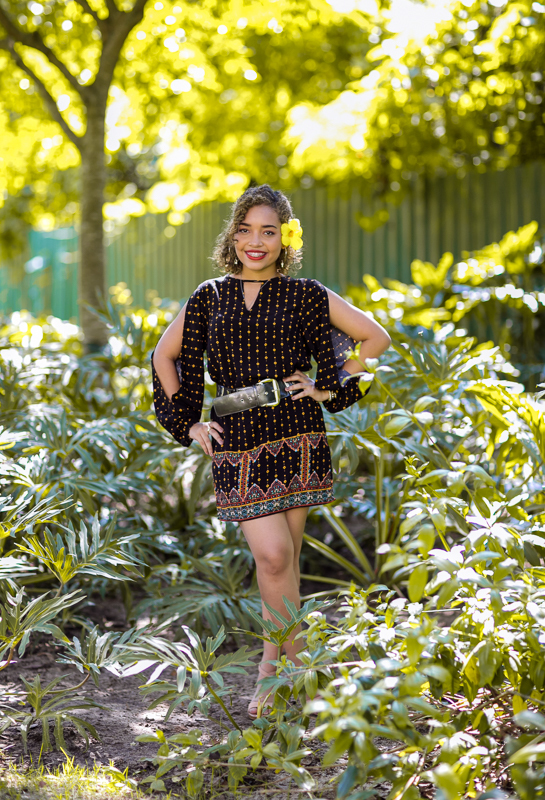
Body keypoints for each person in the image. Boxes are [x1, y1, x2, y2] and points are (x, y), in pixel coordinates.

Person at [151, 185, 391, 718]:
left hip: (297, 433)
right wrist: (188, 422)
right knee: (275, 557)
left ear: (286, 239)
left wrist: (326, 388)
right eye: (245, 230)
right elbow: (164, 356)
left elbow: (376, 339)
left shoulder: (307, 294)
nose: (255, 242)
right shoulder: (209, 296)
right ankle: (298, 671)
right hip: (237, 438)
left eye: (268, 231)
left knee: (282, 566)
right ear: (232, 236)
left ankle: (274, 671)